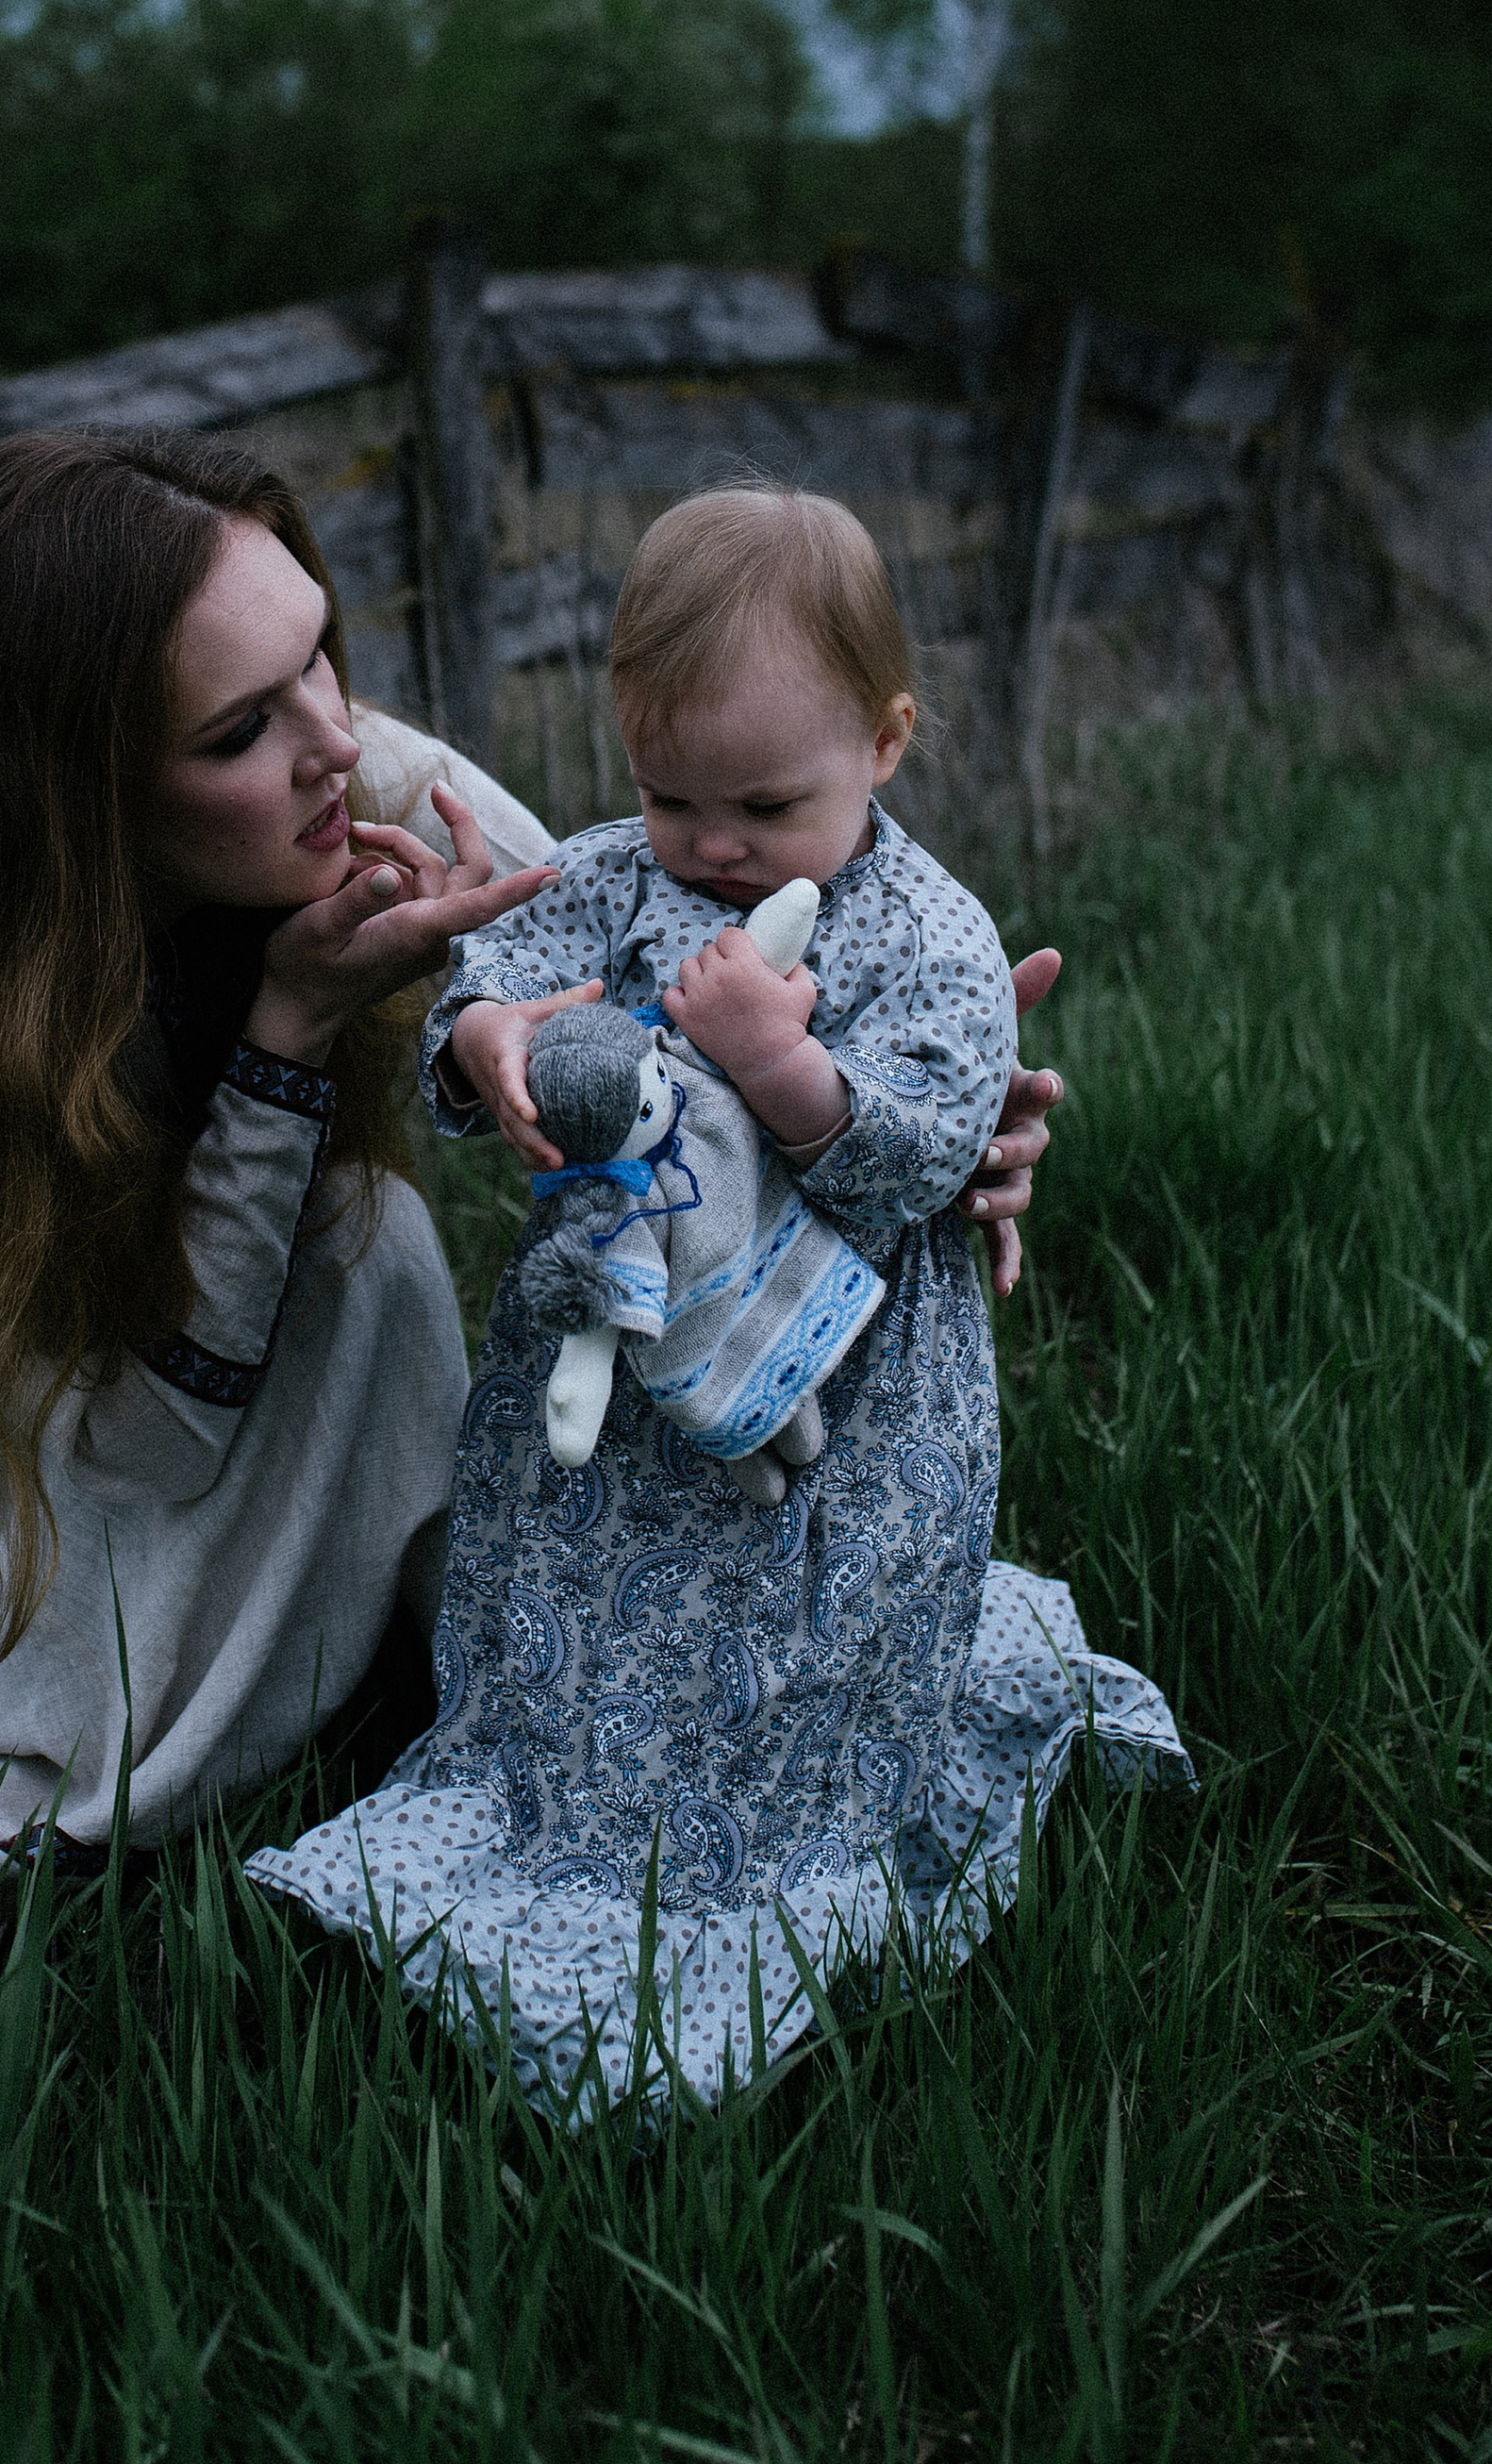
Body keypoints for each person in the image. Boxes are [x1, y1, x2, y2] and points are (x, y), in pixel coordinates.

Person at [0, 434, 1065, 1914]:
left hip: (137, 1327)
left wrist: (922, 1109)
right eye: (240, 727)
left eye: (319, 654)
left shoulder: (331, 767)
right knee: (357, 1249)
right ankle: (330, 1694)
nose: (338, 738)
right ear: (75, 789)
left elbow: (628, 932)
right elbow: (145, 1431)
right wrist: (289, 1025)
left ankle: (433, 1662)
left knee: (359, 1245)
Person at [249, 489, 1189, 2117]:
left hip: (842, 1395)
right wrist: (486, 1042)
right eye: (668, 793)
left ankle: (781, 1839)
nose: (714, 842)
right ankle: (558, 1808)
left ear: (885, 741)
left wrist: (782, 1069)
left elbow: (926, 1149)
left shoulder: (929, 932)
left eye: (764, 802)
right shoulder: (615, 876)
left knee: (807, 1619)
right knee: (577, 1586)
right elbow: (500, 976)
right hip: (613, 1371)